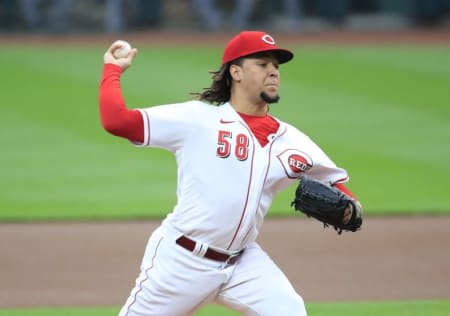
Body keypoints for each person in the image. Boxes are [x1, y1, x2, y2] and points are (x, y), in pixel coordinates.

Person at [99, 30, 362, 316]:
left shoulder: (292, 140)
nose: (273, 72)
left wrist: (351, 209)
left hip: (243, 264)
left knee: (289, 310)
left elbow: (337, 185)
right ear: (236, 72)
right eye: (262, 64)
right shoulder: (197, 120)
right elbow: (117, 121)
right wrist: (113, 69)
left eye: (275, 66)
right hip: (182, 261)